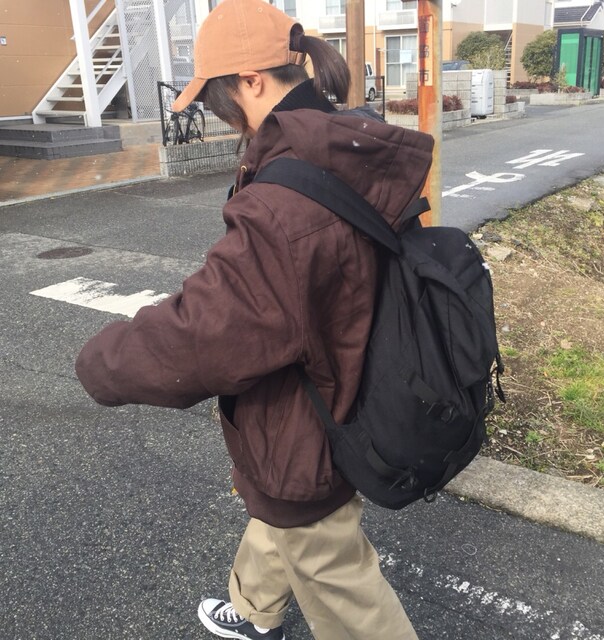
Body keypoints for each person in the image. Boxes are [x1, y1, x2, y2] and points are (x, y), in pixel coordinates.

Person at [75, 0, 433, 638]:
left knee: (327, 559)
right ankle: (251, 609)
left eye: (219, 99)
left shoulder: (284, 199)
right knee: (279, 502)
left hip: (312, 407)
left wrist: (105, 362)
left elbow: (210, 330)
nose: (222, 116)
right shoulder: (341, 137)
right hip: (354, 369)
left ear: (251, 80)